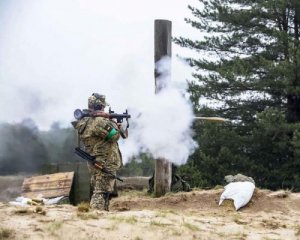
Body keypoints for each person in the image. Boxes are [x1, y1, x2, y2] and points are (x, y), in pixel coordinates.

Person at [73, 93, 128, 211]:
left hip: (95, 161)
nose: (104, 109)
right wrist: (113, 122)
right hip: (105, 161)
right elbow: (115, 136)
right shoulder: (100, 122)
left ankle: (102, 215)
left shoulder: (84, 121)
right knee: (101, 192)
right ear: (99, 106)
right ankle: (95, 216)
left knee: (102, 191)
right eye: (103, 107)